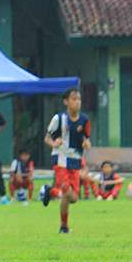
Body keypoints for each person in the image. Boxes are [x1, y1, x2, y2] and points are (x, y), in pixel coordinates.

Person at [40, 88, 91, 233]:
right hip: (61, 159)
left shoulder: (85, 120)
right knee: (67, 192)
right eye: (74, 99)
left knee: (73, 198)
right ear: (66, 101)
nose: (77, 102)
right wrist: (54, 144)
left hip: (75, 160)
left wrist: (87, 144)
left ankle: (51, 193)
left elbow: (86, 139)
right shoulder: (59, 119)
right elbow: (47, 138)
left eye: (79, 99)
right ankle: (63, 226)